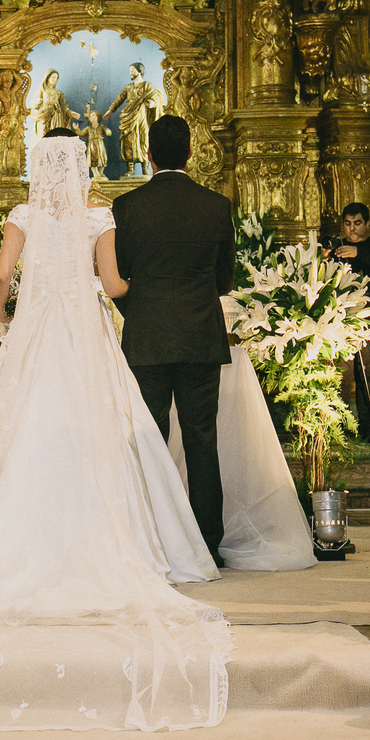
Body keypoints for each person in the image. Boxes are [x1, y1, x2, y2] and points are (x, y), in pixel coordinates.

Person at [0, 130, 232, 732]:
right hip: (84, 338)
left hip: (35, 338)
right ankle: (103, 542)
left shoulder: (21, 214)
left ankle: (15, 544)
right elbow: (115, 287)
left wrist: (12, 311)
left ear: (39, 167)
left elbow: (2, 279)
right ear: (82, 166)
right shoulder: (98, 217)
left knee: (24, 436)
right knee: (95, 435)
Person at [111, 114, 235, 568]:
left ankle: (154, 538)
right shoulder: (216, 205)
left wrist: (141, 313)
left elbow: (119, 277)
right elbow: (224, 280)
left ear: (147, 153)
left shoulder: (127, 207)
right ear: (189, 153)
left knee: (150, 436)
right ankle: (207, 543)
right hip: (201, 336)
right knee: (202, 439)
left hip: (147, 338)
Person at [324, 202, 370, 440]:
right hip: (341, 320)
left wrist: (357, 252)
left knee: (368, 375)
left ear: (367, 224)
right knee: (342, 374)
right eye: (348, 224)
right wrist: (325, 258)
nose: (352, 229)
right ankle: (341, 429)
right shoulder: (338, 247)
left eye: (358, 223)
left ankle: (368, 430)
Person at [102, 62, 164, 177]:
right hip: (128, 117)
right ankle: (130, 169)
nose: (131, 72)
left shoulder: (147, 86)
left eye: (133, 70)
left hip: (142, 118)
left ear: (139, 71)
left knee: (144, 140)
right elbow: (119, 99)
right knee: (128, 141)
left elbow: (154, 96)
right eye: (130, 70)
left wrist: (152, 103)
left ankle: (145, 168)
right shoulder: (128, 87)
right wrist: (110, 111)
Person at [31, 69, 79, 137]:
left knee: (55, 135)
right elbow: (33, 104)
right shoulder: (41, 90)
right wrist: (37, 101)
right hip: (44, 115)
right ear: (47, 77)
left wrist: (70, 113)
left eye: (57, 78)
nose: (55, 79)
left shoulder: (58, 93)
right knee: (42, 135)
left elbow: (63, 106)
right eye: (53, 77)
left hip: (56, 116)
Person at [75, 109, 111, 179]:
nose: (92, 117)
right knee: (93, 159)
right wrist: (77, 129)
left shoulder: (101, 127)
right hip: (92, 145)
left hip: (100, 144)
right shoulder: (88, 128)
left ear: (98, 117)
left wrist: (108, 131)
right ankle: (95, 173)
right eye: (90, 116)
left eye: (93, 115)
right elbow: (81, 133)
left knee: (102, 158)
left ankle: (101, 173)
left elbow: (107, 131)